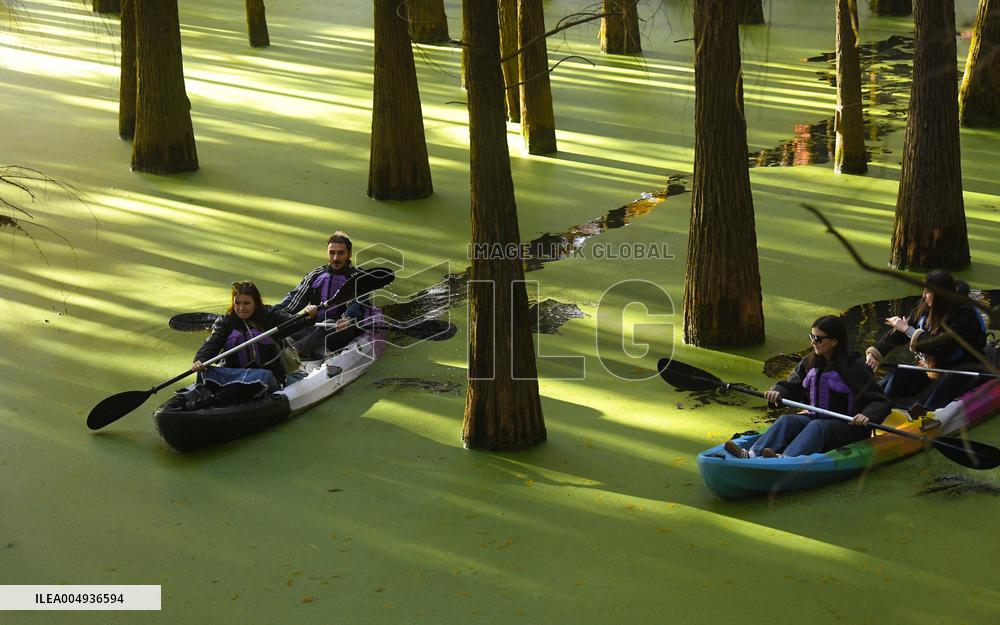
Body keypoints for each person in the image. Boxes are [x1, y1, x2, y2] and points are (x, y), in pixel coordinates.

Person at [725, 315, 890, 458]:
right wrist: (777, 392)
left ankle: (787, 458)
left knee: (817, 426)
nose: (813, 342)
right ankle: (753, 454)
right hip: (816, 418)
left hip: (849, 427)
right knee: (786, 420)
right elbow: (791, 386)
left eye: (818, 339)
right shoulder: (809, 362)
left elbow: (880, 401)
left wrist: (866, 415)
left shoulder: (855, 368)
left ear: (834, 341)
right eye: (811, 336)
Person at [865, 269, 987, 410]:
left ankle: (922, 415)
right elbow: (902, 330)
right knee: (899, 375)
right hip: (932, 366)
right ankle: (873, 402)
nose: (924, 295)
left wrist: (908, 330)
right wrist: (876, 353)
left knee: (941, 388)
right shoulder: (925, 305)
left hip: (961, 369)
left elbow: (941, 345)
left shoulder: (965, 315)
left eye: (928, 292)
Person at [184, 281, 317, 410]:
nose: (241, 308)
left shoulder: (270, 316)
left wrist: (309, 317)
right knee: (206, 371)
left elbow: (295, 323)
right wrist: (200, 359)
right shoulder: (226, 321)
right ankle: (213, 397)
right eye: (237, 303)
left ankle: (208, 402)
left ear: (256, 303)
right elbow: (212, 344)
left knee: (261, 378)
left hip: (266, 375)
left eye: (246, 303)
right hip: (234, 373)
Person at [275, 231, 371, 360]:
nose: (336, 258)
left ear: (349, 254)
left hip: (341, 329)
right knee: (292, 321)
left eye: (340, 253)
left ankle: (295, 352)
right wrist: (271, 315)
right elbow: (293, 300)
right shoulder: (315, 275)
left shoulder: (359, 278)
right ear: (328, 253)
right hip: (314, 327)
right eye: (332, 253)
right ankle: (301, 347)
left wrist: (348, 317)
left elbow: (358, 303)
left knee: (328, 324)